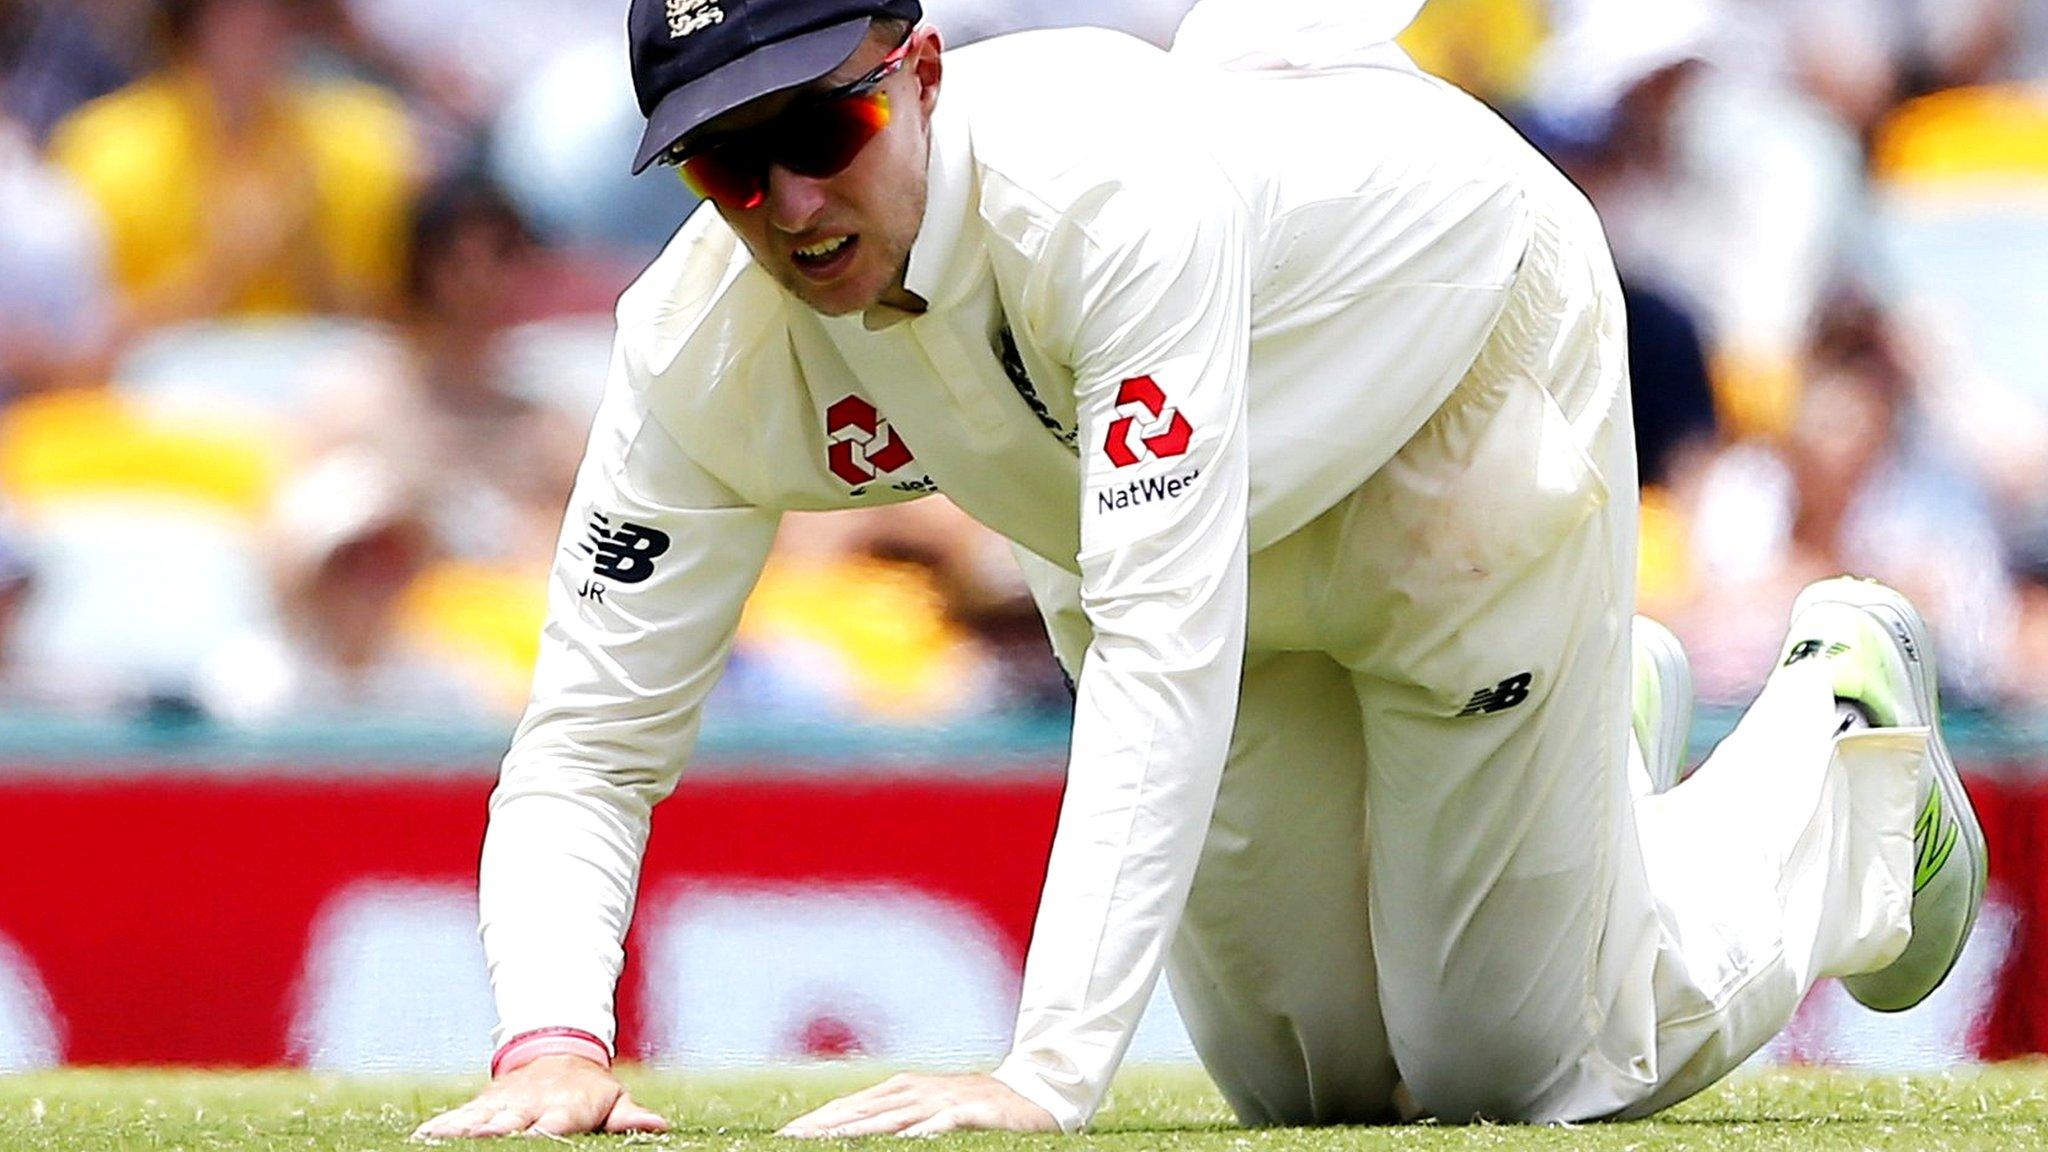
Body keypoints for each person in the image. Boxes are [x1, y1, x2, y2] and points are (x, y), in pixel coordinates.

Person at [413, 0, 1986, 1139]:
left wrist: (1040, 1079)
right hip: (1168, 519)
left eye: (825, 128)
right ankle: (1593, 756)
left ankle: (1840, 751)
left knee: (1520, 1065)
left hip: (1443, 415)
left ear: (926, 69)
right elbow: (589, 738)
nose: (793, 206)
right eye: (728, 166)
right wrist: (548, 1045)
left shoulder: (1097, 195)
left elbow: (1165, 649)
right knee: (1312, 1093)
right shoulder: (695, 342)